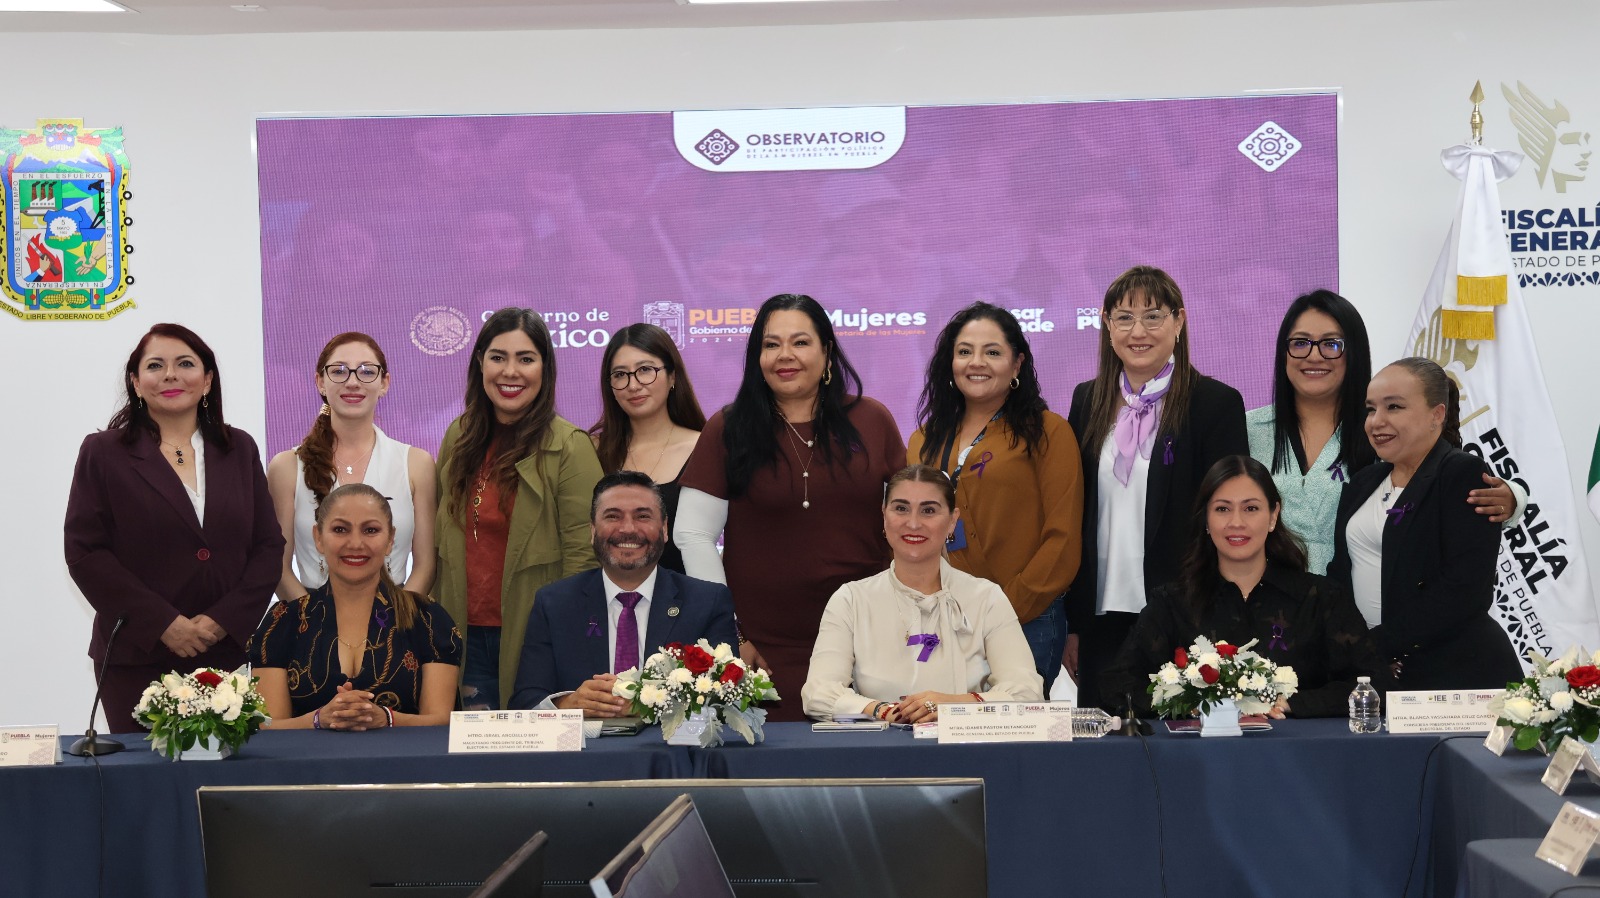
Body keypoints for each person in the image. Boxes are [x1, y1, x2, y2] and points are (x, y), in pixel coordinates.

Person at [677, 294, 907, 721]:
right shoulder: (728, 428)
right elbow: (692, 534)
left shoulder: (872, 420)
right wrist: (729, 636)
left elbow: (910, 527)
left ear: (827, 352)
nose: (785, 356)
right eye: (770, 344)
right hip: (761, 651)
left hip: (869, 645)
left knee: (871, 776)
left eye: (800, 342)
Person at [64, 323, 283, 732]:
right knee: (143, 786)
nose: (170, 375)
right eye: (155, 365)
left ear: (207, 380)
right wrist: (163, 624)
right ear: (135, 381)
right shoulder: (104, 452)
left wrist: (223, 620)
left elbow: (268, 546)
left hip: (222, 650)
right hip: (138, 653)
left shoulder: (239, 449)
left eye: (185, 363)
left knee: (216, 784)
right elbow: (85, 553)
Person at [1064, 265, 1249, 712]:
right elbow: (1076, 511)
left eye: (1153, 316)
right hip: (1101, 614)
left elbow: (1232, 514)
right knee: (1106, 750)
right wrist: (1073, 622)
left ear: (1179, 321)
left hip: (1186, 611)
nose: (1138, 331)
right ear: (1107, 326)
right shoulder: (1086, 400)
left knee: (1181, 748)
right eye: (1124, 317)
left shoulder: (1215, 403)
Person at [1247, 290, 1522, 574]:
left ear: (1354, 352)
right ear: (1283, 351)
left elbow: (1443, 476)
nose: (1314, 355)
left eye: (1331, 344)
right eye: (1301, 343)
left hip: (1362, 606)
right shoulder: (1246, 429)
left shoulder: (1383, 428)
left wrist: (1512, 497)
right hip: (1266, 603)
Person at [1101, 456, 1380, 718]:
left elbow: (1374, 683)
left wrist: (1292, 703)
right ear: (1206, 521)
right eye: (1222, 509)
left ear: (1273, 516)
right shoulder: (1172, 603)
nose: (1236, 522)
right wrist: (1189, 703)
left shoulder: (1322, 599)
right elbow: (1117, 686)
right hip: (1199, 761)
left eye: (1251, 508)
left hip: (1297, 760)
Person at [907, 302, 1082, 691]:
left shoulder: (1048, 432)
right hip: (942, 624)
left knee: (1016, 743)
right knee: (941, 737)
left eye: (993, 352)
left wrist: (1002, 611)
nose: (977, 362)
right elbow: (911, 533)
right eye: (965, 351)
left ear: (1017, 364)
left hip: (1027, 621)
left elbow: (1063, 539)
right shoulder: (924, 439)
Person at [436, 308, 604, 710]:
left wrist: (562, 644)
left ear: (545, 369)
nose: (510, 371)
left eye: (526, 359)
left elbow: (584, 561)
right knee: (466, 765)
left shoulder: (570, 446)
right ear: (480, 363)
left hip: (533, 640)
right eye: (498, 357)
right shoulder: (459, 436)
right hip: (460, 635)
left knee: (529, 763)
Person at [1326, 358, 1522, 691]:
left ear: (1437, 414)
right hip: (1378, 673)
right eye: (1371, 409)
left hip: (1457, 674)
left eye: (1395, 407)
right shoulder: (1364, 480)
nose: (1377, 421)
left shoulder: (1461, 473)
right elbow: (1342, 573)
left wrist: (1375, 646)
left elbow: (1464, 589)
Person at [802, 464, 1044, 722]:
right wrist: (886, 711)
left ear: (952, 521)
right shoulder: (850, 600)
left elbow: (1027, 693)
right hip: (878, 754)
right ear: (884, 516)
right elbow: (818, 693)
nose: (914, 523)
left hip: (969, 756)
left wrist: (952, 706)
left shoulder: (987, 598)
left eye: (929, 510)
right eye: (901, 508)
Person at [508, 471, 737, 713]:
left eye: (642, 516)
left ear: (665, 529)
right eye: (613, 516)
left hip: (666, 750)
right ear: (593, 531)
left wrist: (648, 703)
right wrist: (568, 705)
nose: (628, 529)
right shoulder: (554, 604)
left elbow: (727, 700)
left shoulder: (707, 602)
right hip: (585, 749)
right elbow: (526, 701)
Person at [249, 484, 461, 729]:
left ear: (391, 538)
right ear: (318, 537)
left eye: (370, 530)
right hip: (308, 767)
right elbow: (267, 726)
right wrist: (320, 719)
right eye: (340, 529)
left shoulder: (428, 619)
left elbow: (442, 722)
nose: (356, 543)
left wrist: (387, 718)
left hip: (404, 766)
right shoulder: (282, 622)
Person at [268, 332, 437, 601]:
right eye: (340, 371)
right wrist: (313, 621)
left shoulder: (416, 463)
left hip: (395, 620)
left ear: (385, 383)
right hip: (311, 623)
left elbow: (426, 565)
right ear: (320, 382)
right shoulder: (286, 467)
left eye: (367, 372)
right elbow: (278, 567)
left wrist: (399, 618)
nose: (353, 382)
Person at [588, 324, 707, 574]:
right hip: (609, 603)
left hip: (690, 602)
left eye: (645, 370)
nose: (633, 385)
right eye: (620, 374)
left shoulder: (706, 447)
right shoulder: (592, 451)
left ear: (672, 376)